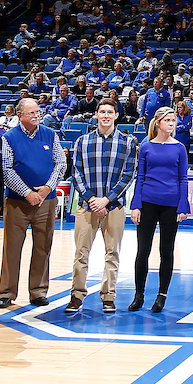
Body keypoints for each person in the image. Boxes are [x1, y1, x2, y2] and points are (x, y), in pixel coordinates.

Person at [65, 98, 138, 314]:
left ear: (116, 115)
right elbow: (75, 173)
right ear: (96, 114)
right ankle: (77, 295)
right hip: (87, 206)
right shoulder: (82, 141)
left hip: (113, 206)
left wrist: (106, 200)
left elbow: (128, 175)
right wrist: (91, 199)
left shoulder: (128, 142)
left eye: (110, 112)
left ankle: (109, 296)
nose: (106, 115)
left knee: (112, 252)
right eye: (102, 112)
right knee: (81, 252)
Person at [0, 98, 67, 309]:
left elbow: (60, 163)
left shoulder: (50, 134)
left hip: (47, 200)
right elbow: (7, 170)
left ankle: (38, 291)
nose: (36, 116)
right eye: (31, 113)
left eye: (38, 112)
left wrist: (47, 188)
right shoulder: (9, 137)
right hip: (18, 202)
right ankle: (7, 292)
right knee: (12, 248)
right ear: (20, 116)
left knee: (43, 247)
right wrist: (27, 192)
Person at [129, 106, 190, 313]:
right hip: (148, 202)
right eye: (168, 120)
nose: (172, 124)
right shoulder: (146, 146)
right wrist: (136, 205)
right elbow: (140, 177)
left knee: (167, 250)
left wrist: (183, 204)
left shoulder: (180, 147)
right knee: (143, 250)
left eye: (174, 120)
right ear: (158, 123)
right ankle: (139, 294)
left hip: (171, 204)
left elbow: (183, 178)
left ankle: (162, 295)